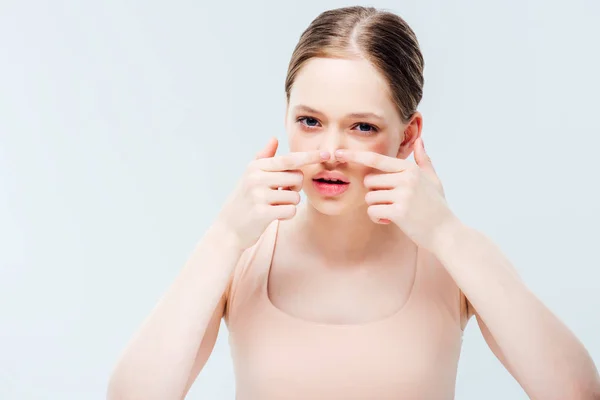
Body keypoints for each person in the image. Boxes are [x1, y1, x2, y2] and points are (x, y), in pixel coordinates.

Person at [107, 6, 600, 400]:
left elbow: (576, 393)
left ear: (409, 135)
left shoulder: (454, 257)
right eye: (309, 121)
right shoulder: (240, 256)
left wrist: (446, 235)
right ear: (287, 116)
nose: (328, 152)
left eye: (362, 127)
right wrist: (225, 236)